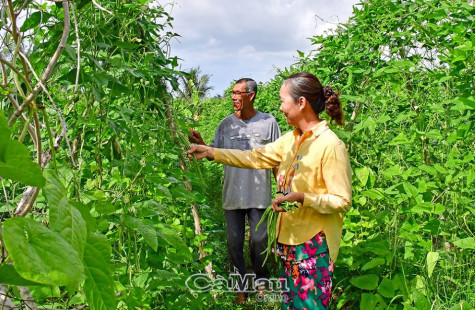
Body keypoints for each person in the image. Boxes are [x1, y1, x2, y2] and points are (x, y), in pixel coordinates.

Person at [186, 72, 352, 309]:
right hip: (289, 241)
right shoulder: (290, 140)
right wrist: (212, 152)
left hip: (313, 244)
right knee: (291, 304)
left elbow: (342, 200)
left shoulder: (330, 145)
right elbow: (255, 157)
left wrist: (302, 197)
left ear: (301, 102)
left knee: (310, 305)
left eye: (283, 100)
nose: (281, 107)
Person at [189, 78, 281, 304]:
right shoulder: (225, 124)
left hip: (259, 195)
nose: (233, 97)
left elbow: (278, 159)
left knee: (259, 240)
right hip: (232, 195)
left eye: (238, 93)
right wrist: (201, 142)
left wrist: (281, 189)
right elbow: (215, 152)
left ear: (251, 95)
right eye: (232, 92)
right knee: (234, 242)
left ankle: (261, 281)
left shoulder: (268, 123)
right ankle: (239, 287)